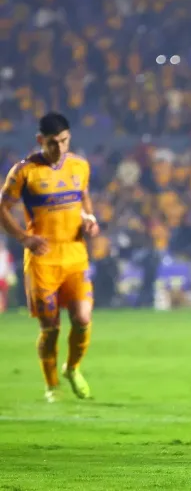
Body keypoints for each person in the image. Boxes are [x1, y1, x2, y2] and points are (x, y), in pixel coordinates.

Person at [0, 112, 100, 402]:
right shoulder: (24, 171)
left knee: (82, 317)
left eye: (64, 141)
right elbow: (2, 208)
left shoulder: (80, 165)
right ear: (40, 140)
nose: (59, 148)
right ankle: (52, 386)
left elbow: (83, 197)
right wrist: (24, 238)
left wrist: (89, 219)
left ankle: (73, 368)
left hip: (75, 254)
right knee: (51, 328)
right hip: (42, 260)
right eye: (53, 142)